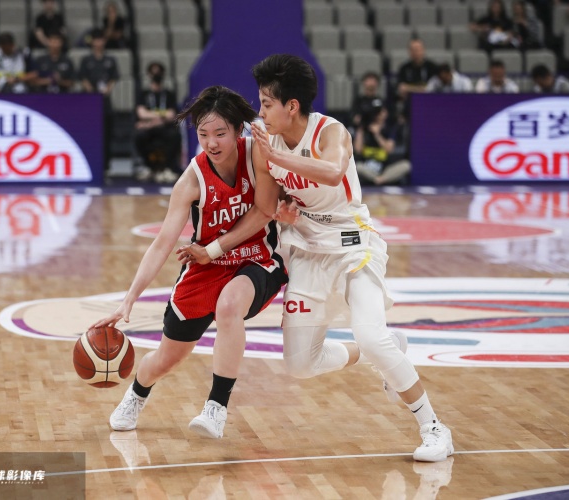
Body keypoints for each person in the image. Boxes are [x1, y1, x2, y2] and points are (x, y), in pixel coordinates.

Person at [180, 54, 453, 462]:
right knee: (300, 364)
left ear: (291, 106)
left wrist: (276, 158)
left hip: (353, 244)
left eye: (267, 103)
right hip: (307, 250)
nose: (260, 112)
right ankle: (380, 350)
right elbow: (267, 206)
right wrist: (281, 211)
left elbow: (331, 172)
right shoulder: (267, 145)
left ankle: (434, 428)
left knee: (370, 333)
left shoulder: (331, 131)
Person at [91, 85, 287, 439]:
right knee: (167, 359)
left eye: (220, 133)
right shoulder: (191, 181)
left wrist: (215, 249)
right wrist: (129, 299)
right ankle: (136, 394)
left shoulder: (257, 153)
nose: (211, 143)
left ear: (238, 130)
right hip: (205, 267)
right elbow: (162, 244)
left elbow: (264, 211)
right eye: (203, 134)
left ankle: (216, 407)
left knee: (230, 306)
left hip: (256, 258)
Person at [79, 28, 118, 171]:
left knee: (106, 135)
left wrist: (107, 89)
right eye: (96, 40)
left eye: (101, 40)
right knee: (89, 133)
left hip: (105, 102)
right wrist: (90, 91)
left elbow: (113, 78)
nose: (98, 43)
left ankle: (105, 167)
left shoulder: (110, 60)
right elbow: (82, 77)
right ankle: (90, 165)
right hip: (89, 103)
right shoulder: (86, 60)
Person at [135, 61, 182, 183]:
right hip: (149, 128)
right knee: (139, 136)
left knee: (175, 136)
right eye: (153, 72)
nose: (156, 75)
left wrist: (152, 119)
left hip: (164, 127)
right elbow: (141, 113)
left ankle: (167, 168)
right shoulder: (144, 94)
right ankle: (149, 167)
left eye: (159, 72)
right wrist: (161, 116)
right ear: (148, 75)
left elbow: (172, 114)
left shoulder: (169, 94)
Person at [353, 102, 411, 186]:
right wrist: (361, 127)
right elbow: (358, 149)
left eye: (381, 112)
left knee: (406, 165)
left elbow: (389, 149)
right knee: (357, 166)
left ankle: (381, 179)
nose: (379, 115)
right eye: (376, 113)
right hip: (367, 167)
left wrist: (377, 135)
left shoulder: (390, 128)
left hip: (384, 169)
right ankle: (376, 179)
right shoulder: (364, 129)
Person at [396, 39, 438, 116]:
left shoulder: (432, 67)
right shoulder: (404, 68)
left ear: (423, 50)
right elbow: (402, 89)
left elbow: (432, 89)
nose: (415, 52)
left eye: (418, 49)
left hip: (429, 103)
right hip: (410, 104)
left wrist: (410, 88)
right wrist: (421, 88)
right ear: (409, 52)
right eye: (413, 50)